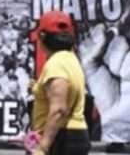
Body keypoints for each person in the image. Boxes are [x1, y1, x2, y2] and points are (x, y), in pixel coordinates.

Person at [31, 10, 89, 155]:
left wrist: (43, 147)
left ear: (42, 36)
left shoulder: (56, 64)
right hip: (72, 135)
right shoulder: (71, 59)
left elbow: (59, 110)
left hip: (60, 138)